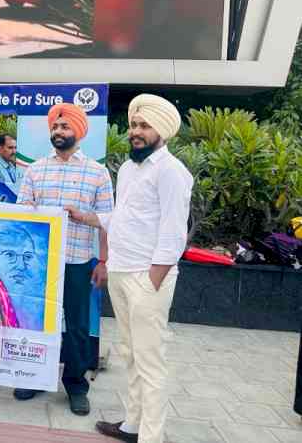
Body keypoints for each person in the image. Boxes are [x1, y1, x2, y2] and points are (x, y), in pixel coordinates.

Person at [67, 94, 193, 443]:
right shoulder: (127, 168)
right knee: (130, 354)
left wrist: (153, 281)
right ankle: (133, 426)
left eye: (144, 126)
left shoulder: (171, 172)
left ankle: (152, 436)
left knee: (150, 360)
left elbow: (173, 233)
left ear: (162, 131)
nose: (136, 132)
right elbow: (121, 218)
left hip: (147, 277)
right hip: (122, 273)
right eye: (134, 125)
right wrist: (87, 217)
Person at [11, 104, 114, 416]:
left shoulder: (97, 172)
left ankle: (76, 385)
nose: (58, 132)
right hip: (42, 264)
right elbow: (22, 213)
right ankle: (37, 377)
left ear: (78, 132)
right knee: (40, 322)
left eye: (65, 127)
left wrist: (103, 261)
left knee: (79, 326)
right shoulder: (36, 169)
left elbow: (109, 220)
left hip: (80, 261)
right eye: (55, 127)